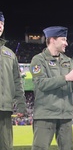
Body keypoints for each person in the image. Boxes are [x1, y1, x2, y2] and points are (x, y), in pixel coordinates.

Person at [30, 26, 73, 150]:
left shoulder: (69, 61)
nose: (66, 43)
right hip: (46, 115)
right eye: (63, 39)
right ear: (53, 40)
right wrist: (66, 78)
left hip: (65, 115)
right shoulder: (38, 60)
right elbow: (41, 83)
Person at [0, 11, 26, 150]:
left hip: (4, 110)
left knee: (5, 146)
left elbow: (17, 81)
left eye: (2, 23)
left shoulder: (10, 54)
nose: (0, 26)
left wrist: (21, 105)